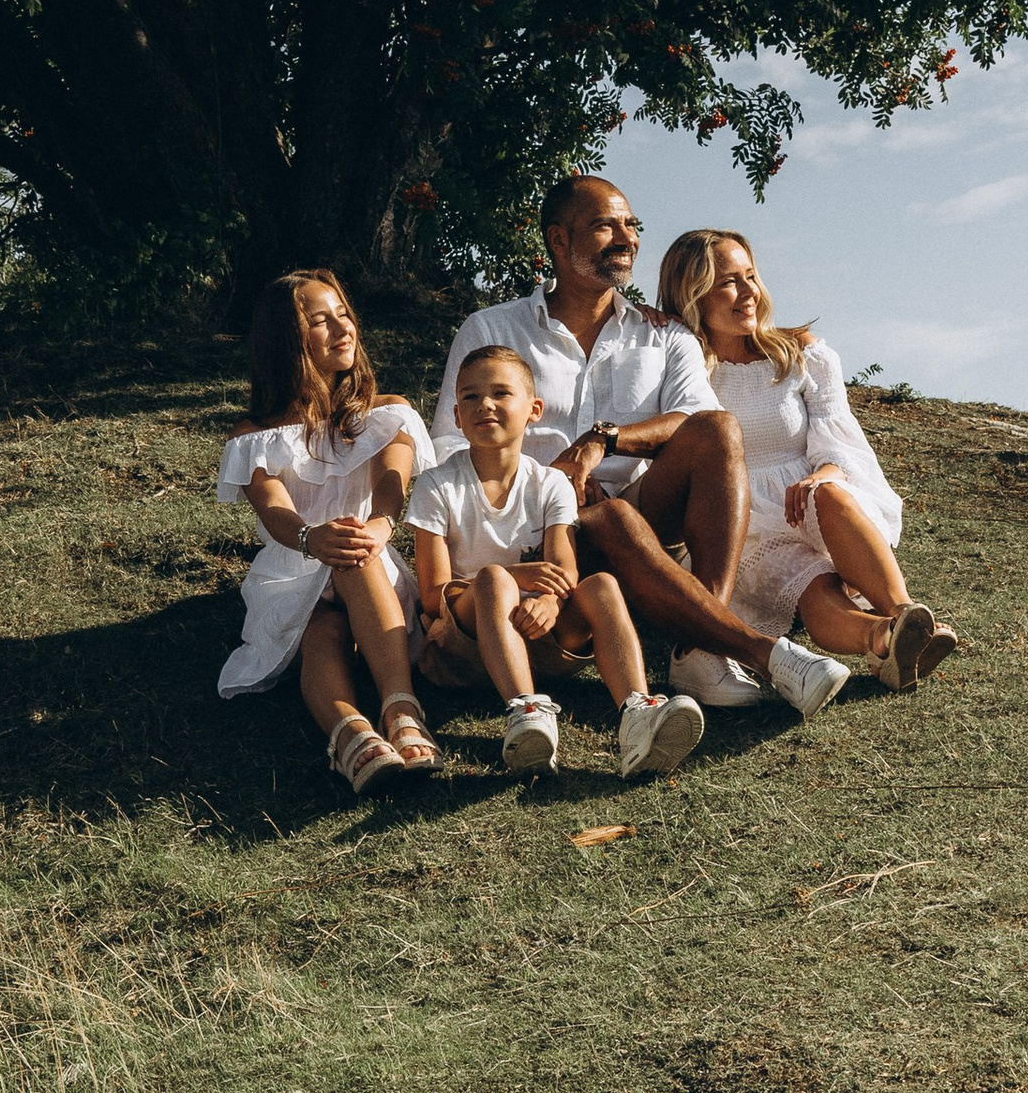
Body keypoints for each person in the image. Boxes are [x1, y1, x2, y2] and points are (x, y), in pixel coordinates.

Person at [434, 176, 851, 721]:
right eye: (605, 225)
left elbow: (696, 419)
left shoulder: (664, 335)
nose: (626, 237)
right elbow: (447, 443)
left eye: (630, 225)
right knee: (609, 516)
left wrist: (601, 441)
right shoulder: (492, 329)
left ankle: (697, 651)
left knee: (717, 432)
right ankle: (752, 650)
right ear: (558, 240)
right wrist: (541, 485)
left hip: (638, 519)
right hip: (528, 536)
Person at [656, 231, 962, 686]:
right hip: (742, 518)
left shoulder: (798, 352)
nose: (749, 293)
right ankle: (884, 641)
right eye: (729, 283)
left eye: (751, 276)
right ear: (693, 294)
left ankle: (904, 614)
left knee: (830, 495)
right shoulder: (682, 369)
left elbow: (840, 444)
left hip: (812, 498)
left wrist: (820, 476)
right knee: (812, 584)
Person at [412, 344, 708, 782]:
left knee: (602, 584)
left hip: (543, 638)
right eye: (470, 397)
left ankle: (637, 716)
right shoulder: (438, 484)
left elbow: (565, 568)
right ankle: (526, 711)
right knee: (494, 579)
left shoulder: (551, 483)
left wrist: (551, 601)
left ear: (534, 409)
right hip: (464, 648)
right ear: (456, 416)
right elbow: (434, 595)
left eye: (500, 393)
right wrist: (513, 577)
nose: (485, 405)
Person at [216, 268, 440, 792]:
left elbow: (391, 486)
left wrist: (379, 527)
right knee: (323, 628)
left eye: (344, 315)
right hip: (292, 568)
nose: (343, 329)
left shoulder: (387, 414)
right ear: (286, 340)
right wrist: (308, 538)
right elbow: (274, 510)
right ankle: (353, 735)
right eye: (321, 321)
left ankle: (397, 710)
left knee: (353, 553)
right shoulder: (254, 436)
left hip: (371, 558)